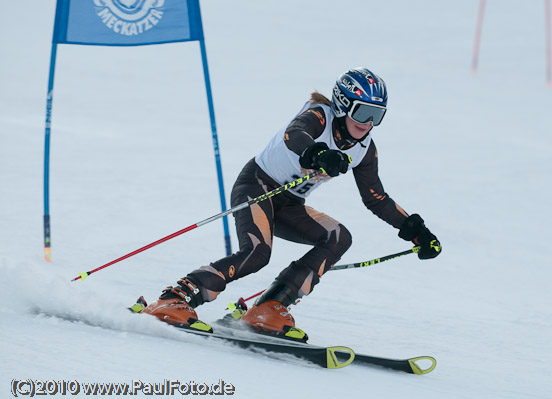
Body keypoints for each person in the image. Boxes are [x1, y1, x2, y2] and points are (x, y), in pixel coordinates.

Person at [139, 67, 442, 341]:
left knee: (338, 237)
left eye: (377, 116)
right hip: (257, 186)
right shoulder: (319, 115)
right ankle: (175, 297)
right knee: (258, 253)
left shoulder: (364, 149)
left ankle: (270, 306)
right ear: (342, 104)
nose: (368, 123)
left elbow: (376, 198)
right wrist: (319, 154)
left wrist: (416, 230)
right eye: (363, 113)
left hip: (290, 203)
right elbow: (293, 135)